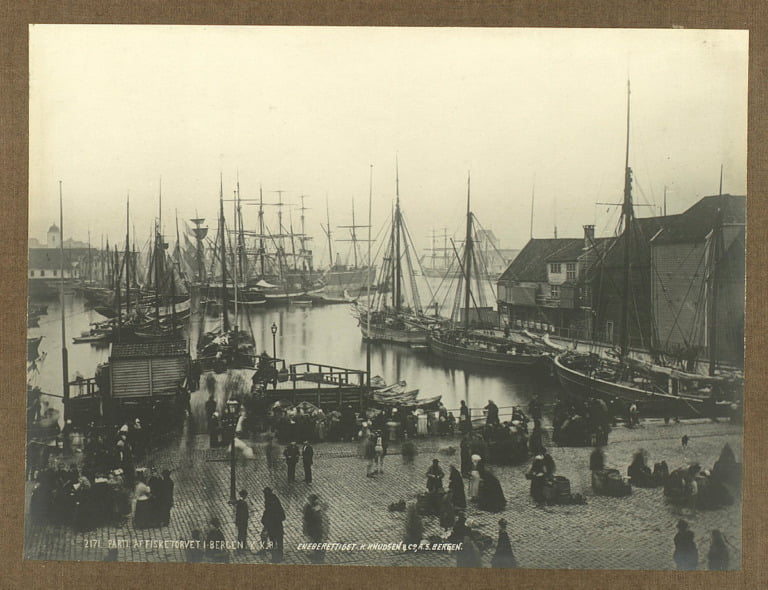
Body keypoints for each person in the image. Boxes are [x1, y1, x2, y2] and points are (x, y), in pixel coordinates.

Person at [262, 487, 286, 563]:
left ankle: (275, 557)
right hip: (277, 524)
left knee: (273, 540)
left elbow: (268, 512)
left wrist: (265, 521)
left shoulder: (269, 501)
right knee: (279, 540)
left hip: (273, 524)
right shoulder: (274, 499)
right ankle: (279, 555)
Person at [302, 494, 328, 563]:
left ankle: (317, 556)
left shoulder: (313, 507)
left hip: (315, 528)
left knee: (316, 541)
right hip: (314, 528)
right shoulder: (309, 507)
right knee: (315, 541)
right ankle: (317, 555)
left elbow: (307, 518)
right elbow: (306, 518)